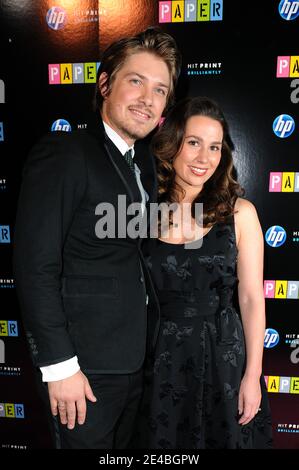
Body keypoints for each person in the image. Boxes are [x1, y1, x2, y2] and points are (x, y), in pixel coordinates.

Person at [13, 27, 182, 449]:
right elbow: (35, 266)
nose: (148, 99)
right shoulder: (66, 153)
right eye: (136, 81)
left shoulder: (140, 163)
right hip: (82, 371)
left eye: (160, 90)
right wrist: (58, 367)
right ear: (105, 84)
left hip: (132, 362)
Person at [133, 96, 273, 449]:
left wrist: (252, 375)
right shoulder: (143, 214)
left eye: (214, 147)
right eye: (194, 142)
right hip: (160, 356)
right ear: (172, 143)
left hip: (223, 355)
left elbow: (253, 298)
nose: (204, 158)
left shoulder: (240, 213)